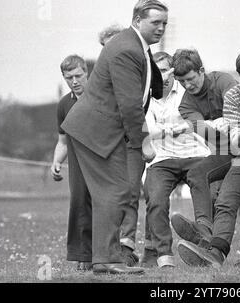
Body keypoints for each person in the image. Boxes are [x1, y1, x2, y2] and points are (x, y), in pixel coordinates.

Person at [60, 0, 168, 275]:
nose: (161, 28)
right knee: (116, 190)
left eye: (164, 23)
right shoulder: (126, 48)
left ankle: (96, 257)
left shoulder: (135, 46)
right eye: (156, 22)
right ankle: (106, 259)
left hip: (92, 130)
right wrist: (144, 143)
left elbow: (146, 89)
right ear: (138, 19)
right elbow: (130, 105)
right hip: (95, 132)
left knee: (103, 192)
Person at [175, 49, 240, 268]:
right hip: (228, 148)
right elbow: (209, 133)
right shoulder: (185, 104)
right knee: (199, 175)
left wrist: (227, 123)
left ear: (201, 71)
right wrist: (217, 126)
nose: (187, 85)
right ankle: (204, 230)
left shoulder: (222, 81)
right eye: (181, 81)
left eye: (191, 79)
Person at [141, 51, 211, 268]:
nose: (160, 76)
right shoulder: (145, 98)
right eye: (155, 71)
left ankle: (204, 242)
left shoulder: (187, 91)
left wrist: (167, 129)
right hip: (162, 158)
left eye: (164, 70)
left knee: (206, 188)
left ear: (172, 71)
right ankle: (163, 255)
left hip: (195, 154)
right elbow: (149, 129)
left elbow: (196, 121)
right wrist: (173, 129)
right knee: (155, 198)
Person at [50, 55, 92, 271]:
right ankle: (83, 255)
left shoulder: (100, 97)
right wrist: (56, 161)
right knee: (79, 205)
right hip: (77, 163)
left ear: (87, 73)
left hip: (102, 161)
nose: (74, 81)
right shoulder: (64, 104)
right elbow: (62, 141)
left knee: (107, 206)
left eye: (78, 75)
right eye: (69, 77)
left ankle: (109, 254)